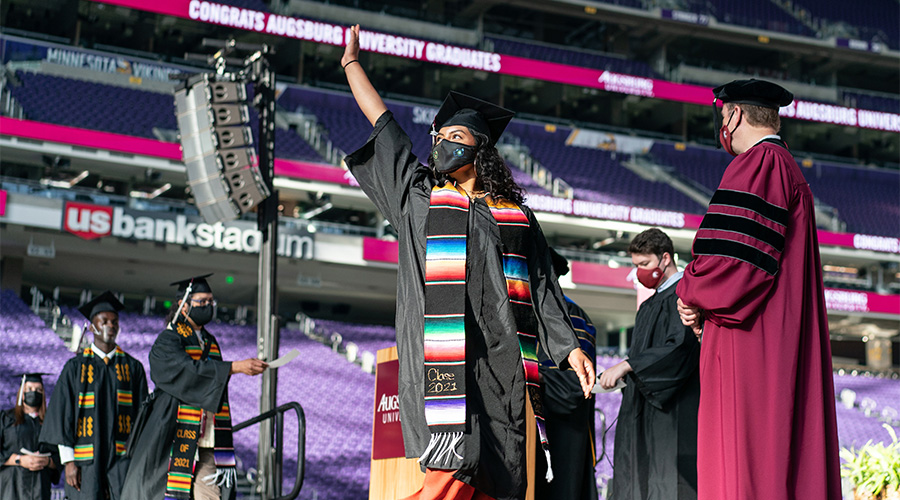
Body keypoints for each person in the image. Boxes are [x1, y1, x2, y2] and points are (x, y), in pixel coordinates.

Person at [341, 24, 594, 500]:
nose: (441, 142)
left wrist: (570, 348)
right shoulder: (418, 197)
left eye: (454, 135)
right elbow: (384, 125)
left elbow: (541, 287)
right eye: (438, 135)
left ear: (480, 147)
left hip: (502, 367)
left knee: (502, 479)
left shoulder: (515, 216)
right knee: (449, 478)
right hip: (444, 366)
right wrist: (352, 64)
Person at [675, 79, 841, 500]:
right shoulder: (786, 166)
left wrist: (691, 291)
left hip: (751, 340)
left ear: (734, 114)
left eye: (722, 115)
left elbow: (733, 265)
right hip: (776, 334)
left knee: (744, 464)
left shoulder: (760, 163)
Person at [121, 274, 267, 500]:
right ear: (183, 305)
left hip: (208, 439)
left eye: (211, 301)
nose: (208, 306)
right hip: (173, 435)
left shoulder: (210, 342)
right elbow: (189, 371)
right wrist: (234, 367)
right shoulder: (168, 340)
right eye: (202, 302)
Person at [598, 228, 700, 500]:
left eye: (644, 264)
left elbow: (679, 348)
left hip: (672, 414)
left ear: (665, 258)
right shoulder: (647, 306)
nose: (639, 272)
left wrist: (629, 365)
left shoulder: (687, 297)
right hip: (643, 410)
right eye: (635, 266)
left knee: (667, 483)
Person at [40, 291, 148, 500]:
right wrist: (69, 462)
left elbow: (142, 416)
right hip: (85, 461)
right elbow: (63, 416)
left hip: (123, 459)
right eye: (104, 321)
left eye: (114, 321)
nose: (110, 325)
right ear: (91, 327)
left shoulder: (133, 367)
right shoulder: (75, 368)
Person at [535, 249, 598, 500]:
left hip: (562, 434)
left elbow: (574, 386)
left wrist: (531, 376)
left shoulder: (573, 316)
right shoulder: (523, 308)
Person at [0, 373, 60, 499]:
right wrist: (19, 460)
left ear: (43, 394)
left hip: (40, 488)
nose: (34, 393)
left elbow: (60, 457)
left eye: (38, 390)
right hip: (11, 487)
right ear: (22, 392)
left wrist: (47, 461)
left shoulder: (51, 422)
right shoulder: (6, 419)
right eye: (29, 389)